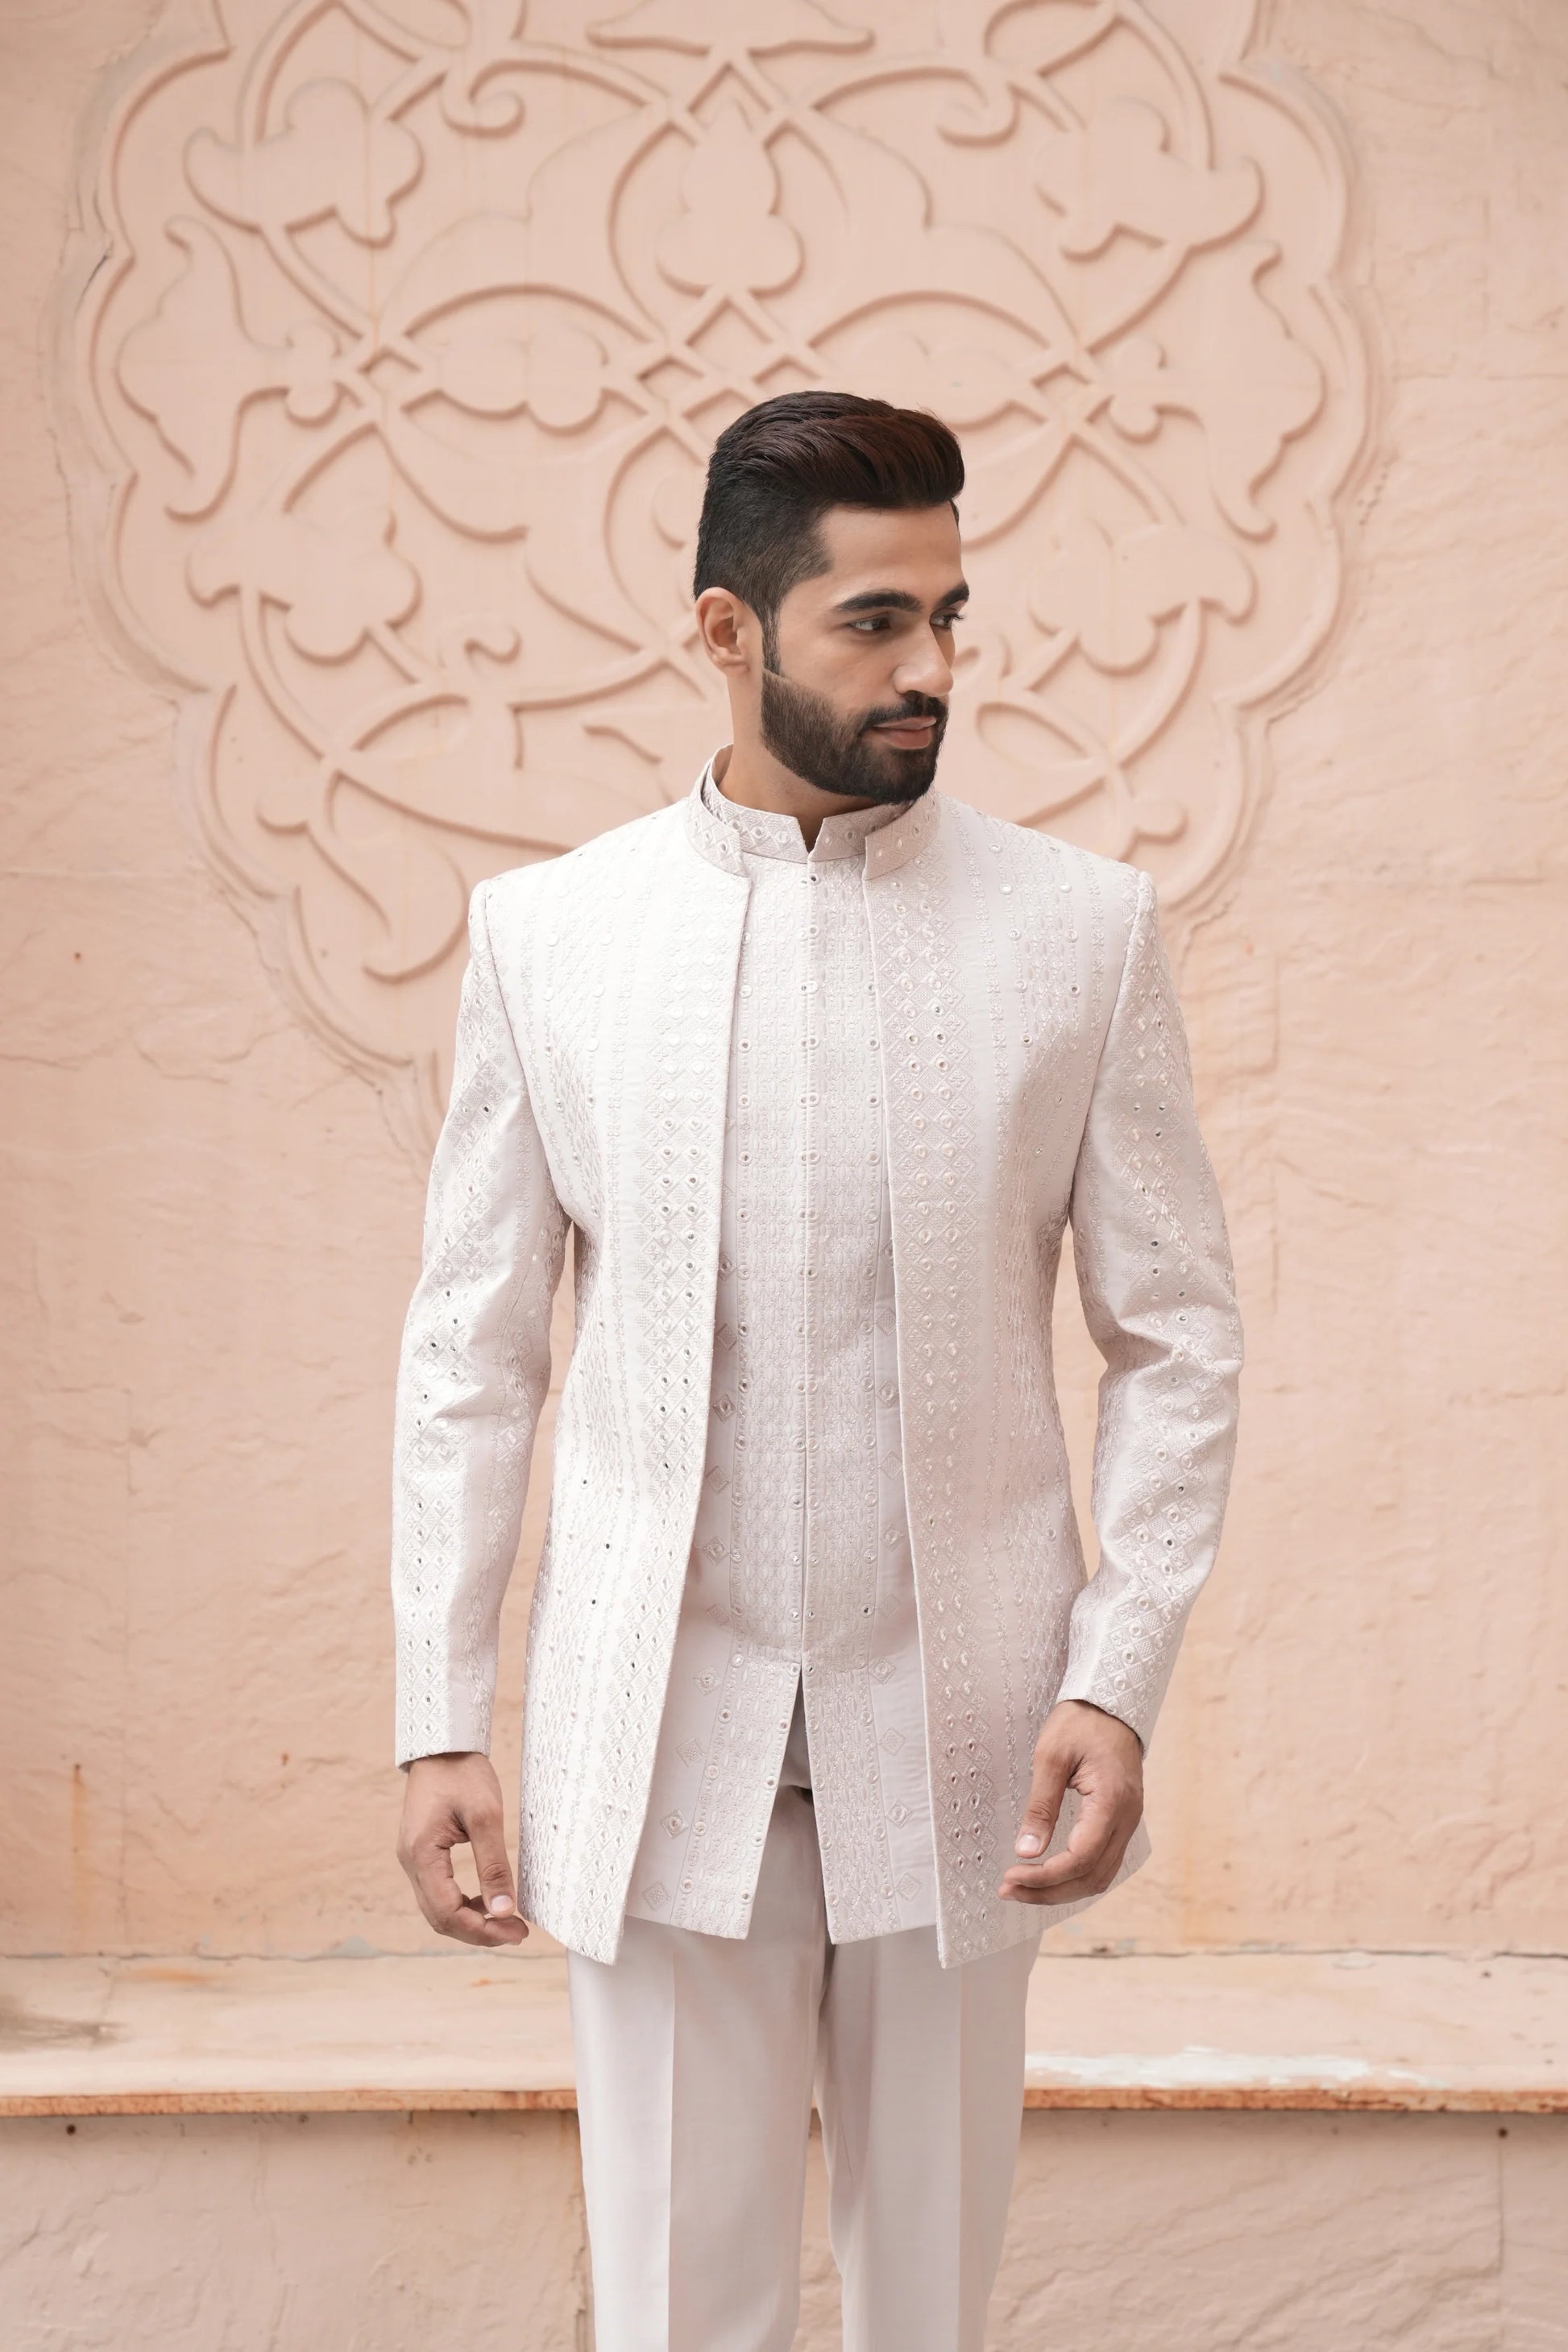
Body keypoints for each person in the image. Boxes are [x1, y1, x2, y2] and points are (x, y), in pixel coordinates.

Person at [389, 391, 1242, 2350]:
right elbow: (472, 1351)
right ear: (724, 633)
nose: (930, 665)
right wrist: (440, 1710)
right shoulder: (552, 937)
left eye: (948, 612)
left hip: (969, 1740)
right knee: (678, 2313)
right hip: (654, 1733)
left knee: (923, 2309)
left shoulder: (1076, 932)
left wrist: (1119, 1669)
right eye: (873, 620)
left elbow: (1176, 1333)